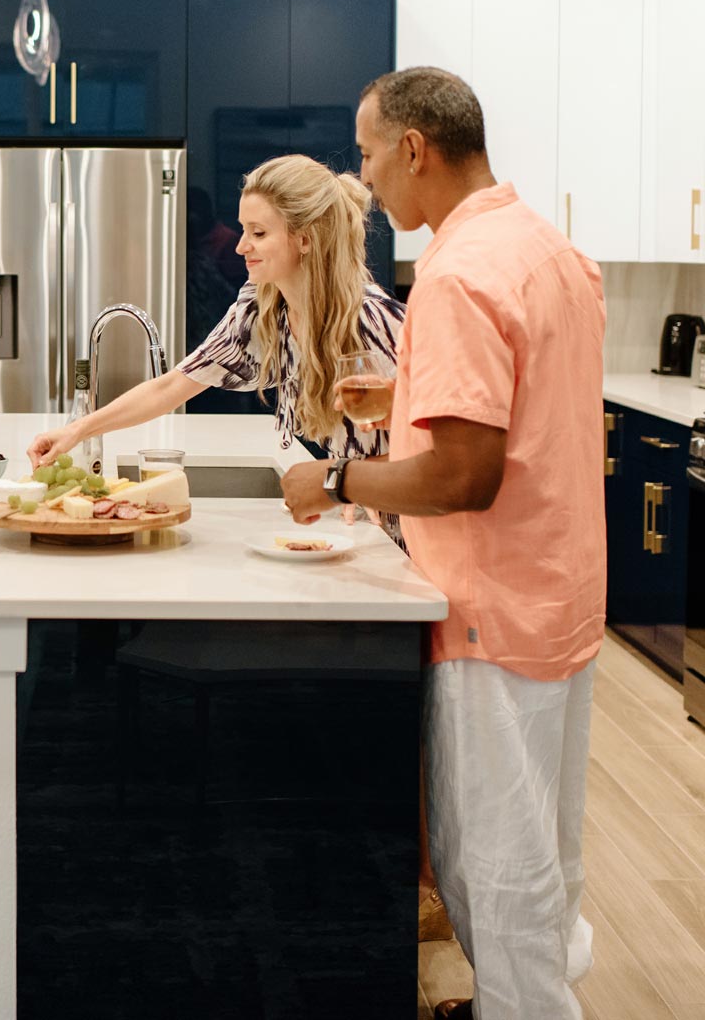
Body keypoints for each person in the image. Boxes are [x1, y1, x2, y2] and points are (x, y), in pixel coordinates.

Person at [281, 67, 606, 1020]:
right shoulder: (548, 249)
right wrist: (409, 391)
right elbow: (532, 403)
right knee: (547, 849)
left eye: (371, 153)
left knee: (491, 869)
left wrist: (331, 479)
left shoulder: (457, 275)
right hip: (562, 594)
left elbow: (466, 478)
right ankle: (536, 992)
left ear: (415, 149)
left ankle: (528, 1008)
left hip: (490, 609)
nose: (367, 177)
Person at [28, 153, 406, 537]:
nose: (241, 246)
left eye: (258, 233)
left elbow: (438, 460)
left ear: (305, 238)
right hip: (359, 530)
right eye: (243, 230)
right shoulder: (264, 306)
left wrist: (342, 482)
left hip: (408, 531)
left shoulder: (374, 323)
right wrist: (77, 431)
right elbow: (174, 384)